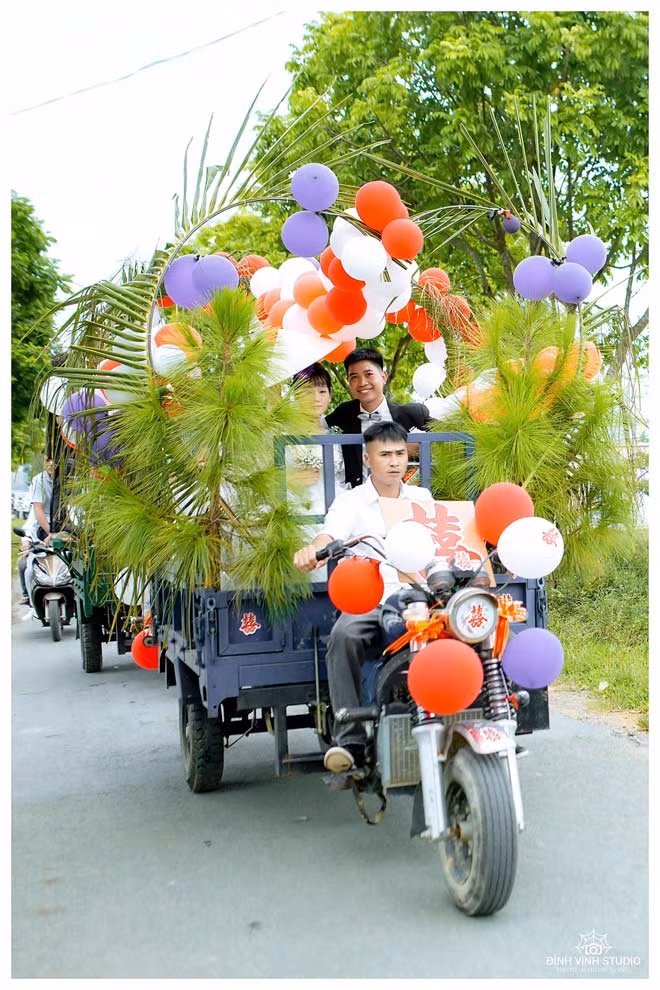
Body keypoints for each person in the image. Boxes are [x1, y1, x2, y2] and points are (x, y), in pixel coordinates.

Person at [293, 421, 434, 773]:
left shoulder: (423, 499)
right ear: (368, 459)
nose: (394, 462)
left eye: (400, 453)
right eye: (384, 454)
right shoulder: (352, 503)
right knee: (343, 636)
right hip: (374, 600)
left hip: (421, 597)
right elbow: (329, 535)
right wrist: (312, 550)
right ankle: (350, 739)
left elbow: (446, 542)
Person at [324, 346, 433, 489]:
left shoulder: (413, 414)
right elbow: (316, 426)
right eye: (354, 377)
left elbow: (451, 438)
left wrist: (419, 446)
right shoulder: (344, 412)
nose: (362, 383)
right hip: (358, 498)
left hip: (402, 499)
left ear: (383, 377)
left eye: (368, 374)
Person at [18, 456, 54, 605]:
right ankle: (27, 595)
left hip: (62, 529)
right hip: (39, 533)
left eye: (54, 460)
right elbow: (37, 515)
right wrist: (50, 533)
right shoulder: (38, 480)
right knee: (25, 565)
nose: (51, 464)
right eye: (48, 460)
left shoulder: (68, 479)